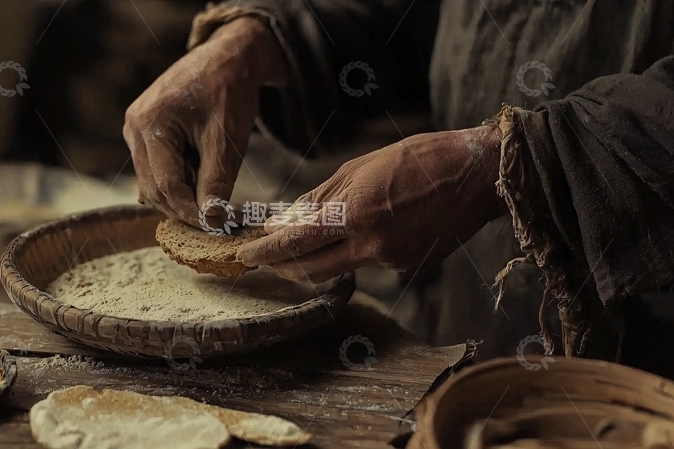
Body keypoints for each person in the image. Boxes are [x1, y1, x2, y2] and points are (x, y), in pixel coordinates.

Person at [123, 1, 674, 366]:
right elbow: (416, 15)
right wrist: (261, 40)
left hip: (645, 345)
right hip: (470, 307)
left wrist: (505, 162)